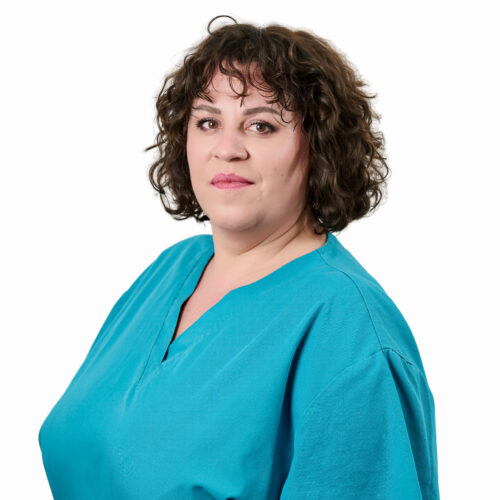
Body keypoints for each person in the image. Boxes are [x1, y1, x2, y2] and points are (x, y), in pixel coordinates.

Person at [38, 15, 440, 499]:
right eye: (208, 122)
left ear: (321, 147)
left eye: (261, 125)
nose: (226, 149)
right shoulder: (169, 272)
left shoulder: (349, 332)